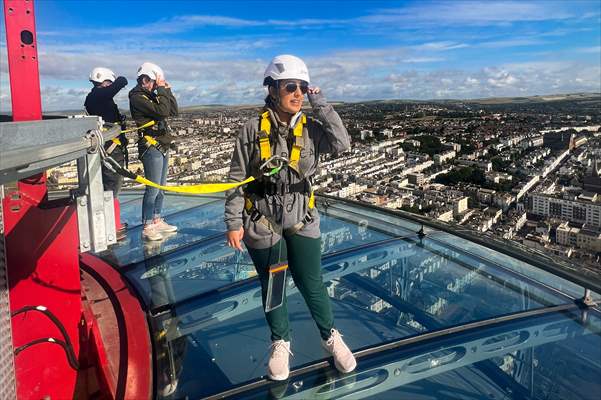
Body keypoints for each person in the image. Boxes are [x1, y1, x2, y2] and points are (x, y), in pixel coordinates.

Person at [225, 54, 356, 381]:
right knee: (274, 285)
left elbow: (343, 143)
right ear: (273, 89)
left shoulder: (311, 128)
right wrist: (233, 222)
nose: (297, 93)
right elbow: (236, 177)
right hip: (261, 218)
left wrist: (320, 102)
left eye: (302, 87)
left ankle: (330, 336)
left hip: (302, 216)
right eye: (290, 87)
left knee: (313, 282)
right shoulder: (252, 130)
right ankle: (280, 342)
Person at [129, 62, 179, 241]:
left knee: (161, 188)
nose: (154, 85)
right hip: (151, 146)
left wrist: (167, 91)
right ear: (144, 79)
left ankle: (157, 219)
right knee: (152, 188)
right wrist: (161, 91)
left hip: (162, 144)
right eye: (153, 82)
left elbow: (173, 111)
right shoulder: (137, 97)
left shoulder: (152, 95)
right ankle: (147, 225)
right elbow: (162, 112)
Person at [84, 67, 129, 239]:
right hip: (110, 148)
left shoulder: (95, 98)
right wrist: (120, 81)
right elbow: (115, 87)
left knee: (110, 186)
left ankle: (111, 222)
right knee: (112, 186)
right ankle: (109, 226)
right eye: (108, 82)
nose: (111, 85)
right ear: (103, 81)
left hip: (111, 146)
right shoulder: (97, 96)